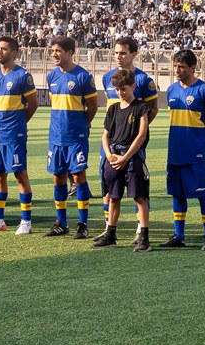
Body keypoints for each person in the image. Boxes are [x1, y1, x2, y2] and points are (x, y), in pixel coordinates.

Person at [0, 36, 39, 234]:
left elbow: (33, 104)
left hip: (14, 135)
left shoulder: (23, 76)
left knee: (20, 175)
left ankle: (26, 222)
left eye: (3, 49)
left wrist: (19, 124)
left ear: (14, 53)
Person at [161, 49, 205, 250]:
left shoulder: (204, 91)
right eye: (175, 66)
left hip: (196, 151)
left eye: (182, 67)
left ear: (193, 67)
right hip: (175, 149)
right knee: (177, 193)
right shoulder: (171, 90)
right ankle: (179, 235)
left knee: (202, 193)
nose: (177, 70)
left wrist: (199, 138)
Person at [100, 36, 159, 228]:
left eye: (123, 53)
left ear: (134, 54)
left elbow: (153, 108)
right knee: (108, 185)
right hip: (111, 142)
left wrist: (134, 129)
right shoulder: (107, 77)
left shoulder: (143, 79)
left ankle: (139, 228)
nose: (119, 57)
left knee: (137, 187)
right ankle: (108, 226)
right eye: (116, 53)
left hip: (132, 145)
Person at [92, 68, 153, 251]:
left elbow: (141, 135)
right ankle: (110, 234)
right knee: (113, 196)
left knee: (139, 197)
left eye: (124, 89)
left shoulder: (141, 107)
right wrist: (109, 155)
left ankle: (144, 237)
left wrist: (126, 157)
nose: (120, 93)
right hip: (114, 157)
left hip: (132, 158)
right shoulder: (112, 109)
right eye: (117, 89)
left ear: (133, 86)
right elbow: (105, 135)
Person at [44, 36, 99, 238]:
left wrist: (82, 125)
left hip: (76, 137)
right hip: (56, 136)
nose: (54, 54)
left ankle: (83, 224)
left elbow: (92, 106)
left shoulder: (83, 77)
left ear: (70, 52)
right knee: (58, 177)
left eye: (58, 50)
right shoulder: (51, 76)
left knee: (78, 177)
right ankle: (61, 223)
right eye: (52, 51)